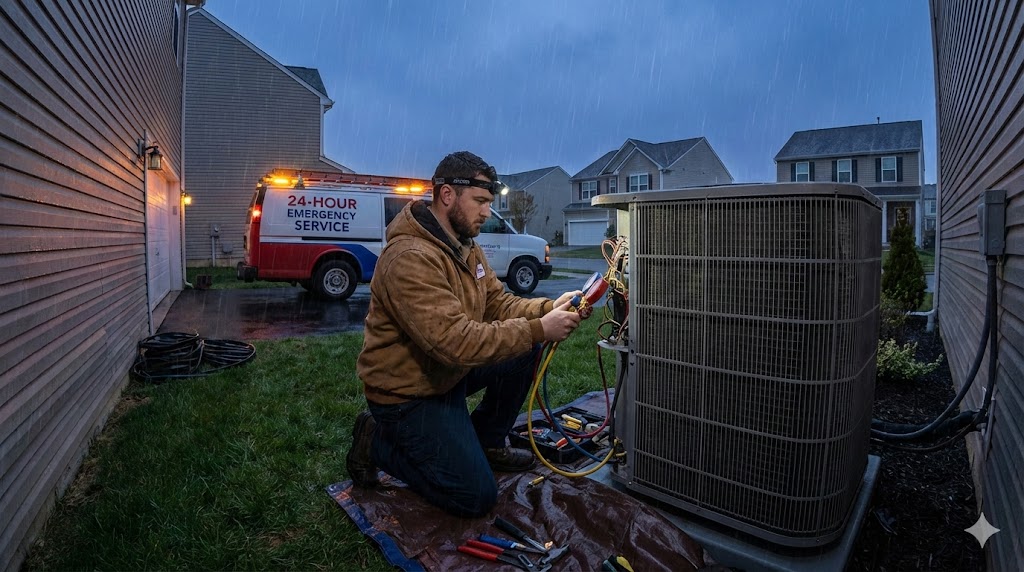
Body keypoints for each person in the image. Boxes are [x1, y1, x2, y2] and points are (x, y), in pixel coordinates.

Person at [346, 151, 583, 517]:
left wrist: (545, 310)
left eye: (489, 202)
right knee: (474, 497)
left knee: (526, 350)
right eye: (481, 202)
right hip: (407, 394)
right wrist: (537, 328)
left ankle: (487, 443)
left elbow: (498, 304)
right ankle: (375, 439)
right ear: (446, 196)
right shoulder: (410, 257)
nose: (487, 212)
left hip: (445, 376)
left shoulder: (465, 246)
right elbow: (454, 343)